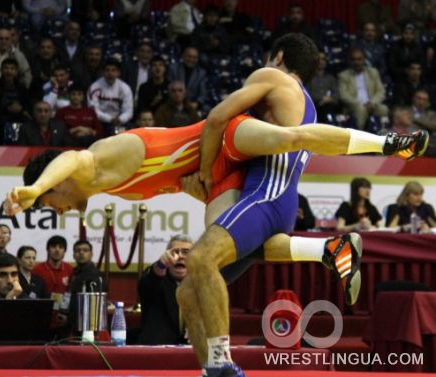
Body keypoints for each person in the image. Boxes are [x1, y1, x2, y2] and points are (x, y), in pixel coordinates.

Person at [174, 33, 416, 377]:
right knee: (188, 290)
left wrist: (204, 174)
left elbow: (215, 118)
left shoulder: (272, 77)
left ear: (279, 57)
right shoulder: (308, 104)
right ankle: (212, 369)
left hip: (264, 197)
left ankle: (222, 362)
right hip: (280, 204)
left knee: (200, 258)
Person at [137, 235, 191, 345]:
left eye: (186, 252)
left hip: (192, 352)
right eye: (175, 252)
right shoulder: (156, 279)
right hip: (157, 352)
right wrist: (161, 264)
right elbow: (149, 281)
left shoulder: (201, 285)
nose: (180, 256)